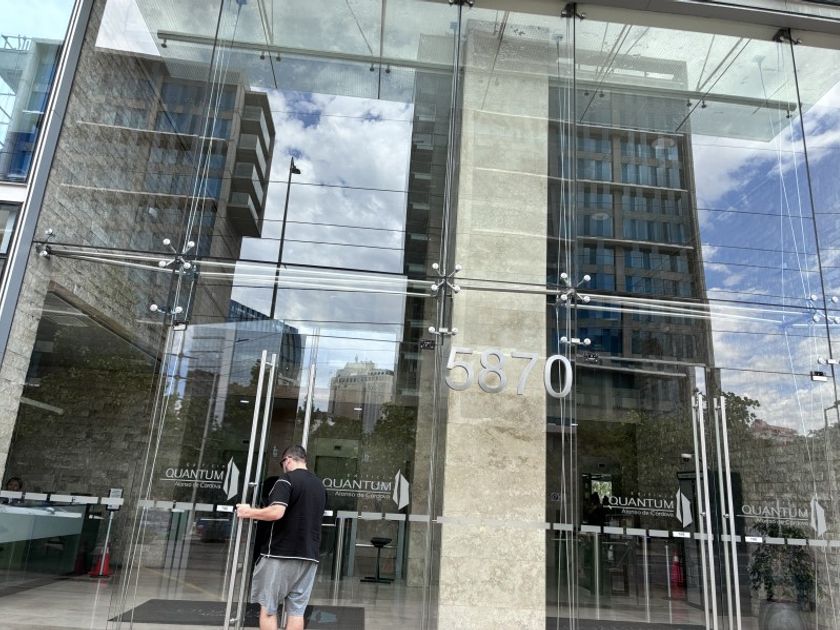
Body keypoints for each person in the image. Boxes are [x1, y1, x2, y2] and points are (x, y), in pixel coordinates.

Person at [236, 446, 326, 630]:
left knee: (268, 610)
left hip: (280, 554)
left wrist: (248, 512)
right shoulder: (319, 485)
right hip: (309, 556)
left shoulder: (286, 479)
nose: (283, 467)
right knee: (296, 612)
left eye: (282, 463)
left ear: (288, 460)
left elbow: (277, 512)